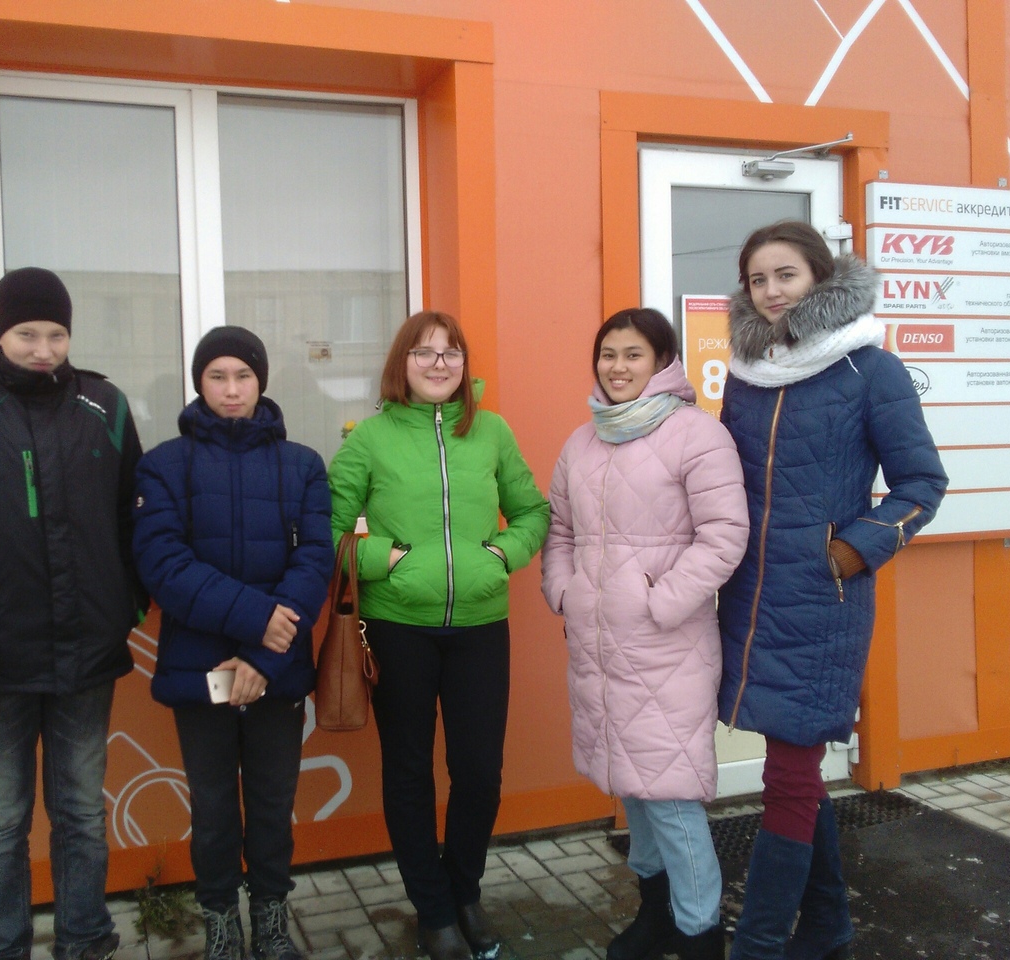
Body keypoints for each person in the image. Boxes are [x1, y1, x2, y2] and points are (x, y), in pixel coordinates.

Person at [717, 221, 947, 960]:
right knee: (794, 767)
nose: (771, 291)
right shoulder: (748, 374)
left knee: (789, 773)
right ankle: (828, 928)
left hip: (824, 601)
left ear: (820, 276)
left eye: (785, 274)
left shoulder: (869, 368)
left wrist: (851, 551)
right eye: (758, 279)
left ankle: (758, 945)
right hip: (751, 597)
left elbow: (922, 483)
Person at [0, 267, 146, 960]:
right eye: (27, 334)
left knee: (81, 814)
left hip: (86, 656)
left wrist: (124, 606)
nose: (44, 350)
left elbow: (136, 518)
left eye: (57, 335)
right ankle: (2, 947)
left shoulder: (103, 403)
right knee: (1, 826)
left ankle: (85, 941)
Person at [326, 311, 549, 960]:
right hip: (399, 629)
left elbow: (533, 511)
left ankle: (464, 892)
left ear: (464, 365)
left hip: (480, 628)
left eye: (451, 353)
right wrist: (387, 559)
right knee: (409, 772)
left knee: (479, 773)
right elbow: (327, 530)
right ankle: (433, 910)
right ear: (403, 363)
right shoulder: (370, 439)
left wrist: (501, 555)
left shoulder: (491, 431)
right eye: (424, 352)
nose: (438, 363)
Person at [541, 308, 748, 960]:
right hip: (600, 647)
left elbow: (724, 535)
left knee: (672, 798)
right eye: (608, 354)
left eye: (633, 354)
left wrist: (660, 602)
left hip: (668, 648)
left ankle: (700, 934)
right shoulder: (582, 441)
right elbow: (561, 533)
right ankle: (655, 916)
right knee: (633, 787)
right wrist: (565, 591)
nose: (618, 366)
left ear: (662, 361)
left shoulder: (696, 435)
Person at [131, 326, 334, 960]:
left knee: (272, 806)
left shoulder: (302, 465)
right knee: (215, 809)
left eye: (243, 375)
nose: (231, 388)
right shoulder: (163, 465)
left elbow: (315, 562)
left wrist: (263, 656)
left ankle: (271, 920)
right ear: (200, 383)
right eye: (217, 376)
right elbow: (164, 564)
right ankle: (221, 920)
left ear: (260, 382)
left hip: (275, 670)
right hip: (203, 672)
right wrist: (258, 620)